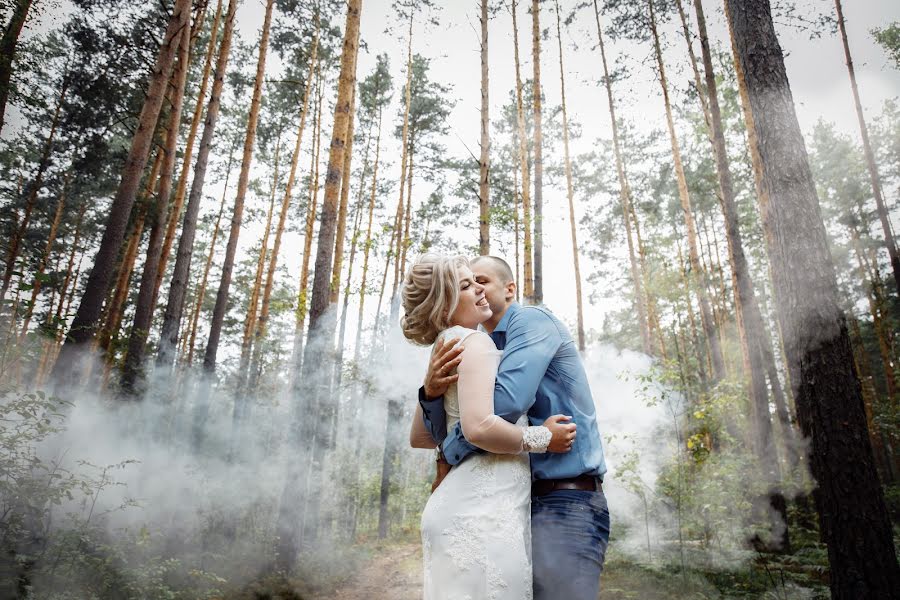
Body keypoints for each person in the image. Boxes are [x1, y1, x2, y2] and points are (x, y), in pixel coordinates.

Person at [418, 255, 610, 600]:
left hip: (567, 498)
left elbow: (505, 405)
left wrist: (447, 453)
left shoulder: (532, 322)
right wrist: (430, 393)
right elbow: (435, 431)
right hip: (517, 502)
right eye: (468, 283)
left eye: (483, 281)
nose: (477, 288)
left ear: (510, 289)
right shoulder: (474, 344)